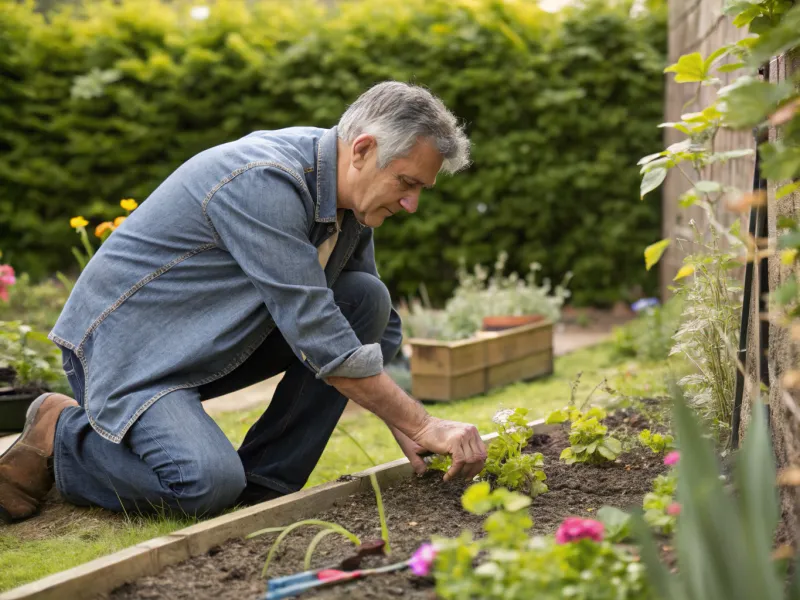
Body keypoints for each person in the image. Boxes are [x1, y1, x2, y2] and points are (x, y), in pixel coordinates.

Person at [0, 81, 487, 523]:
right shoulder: (264, 181)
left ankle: (260, 490)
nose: (412, 204)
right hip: (127, 352)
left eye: (421, 189)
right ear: (362, 149)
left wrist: (404, 422)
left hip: (204, 338)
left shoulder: (346, 200)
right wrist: (422, 423)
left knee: (365, 299)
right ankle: (62, 431)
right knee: (200, 484)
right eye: (407, 183)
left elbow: (365, 322)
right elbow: (320, 335)